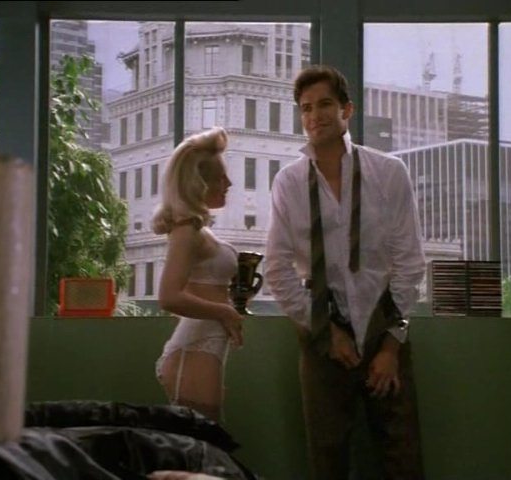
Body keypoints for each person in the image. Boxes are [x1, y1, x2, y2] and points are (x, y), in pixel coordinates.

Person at [265, 65, 427, 479]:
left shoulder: (388, 172)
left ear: (346, 110)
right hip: (321, 325)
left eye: (324, 104)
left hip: (382, 323)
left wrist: (391, 346)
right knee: (327, 457)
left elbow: (409, 263)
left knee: (401, 455)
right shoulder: (288, 182)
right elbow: (277, 269)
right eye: (305, 108)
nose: (314, 116)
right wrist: (324, 330)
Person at [152, 126, 244, 423]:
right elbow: (168, 297)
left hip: (202, 347)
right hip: (195, 349)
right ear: (198, 183)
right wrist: (224, 312)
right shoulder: (187, 231)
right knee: (203, 445)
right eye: (220, 178)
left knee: (204, 443)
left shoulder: (196, 230)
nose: (229, 183)